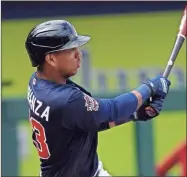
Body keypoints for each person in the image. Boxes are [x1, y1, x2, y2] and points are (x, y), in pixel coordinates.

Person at [25, 20, 171, 177]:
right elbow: (112, 109)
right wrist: (150, 87)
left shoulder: (38, 81)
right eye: (70, 49)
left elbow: (88, 119)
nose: (78, 54)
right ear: (51, 59)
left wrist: (134, 114)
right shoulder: (65, 100)